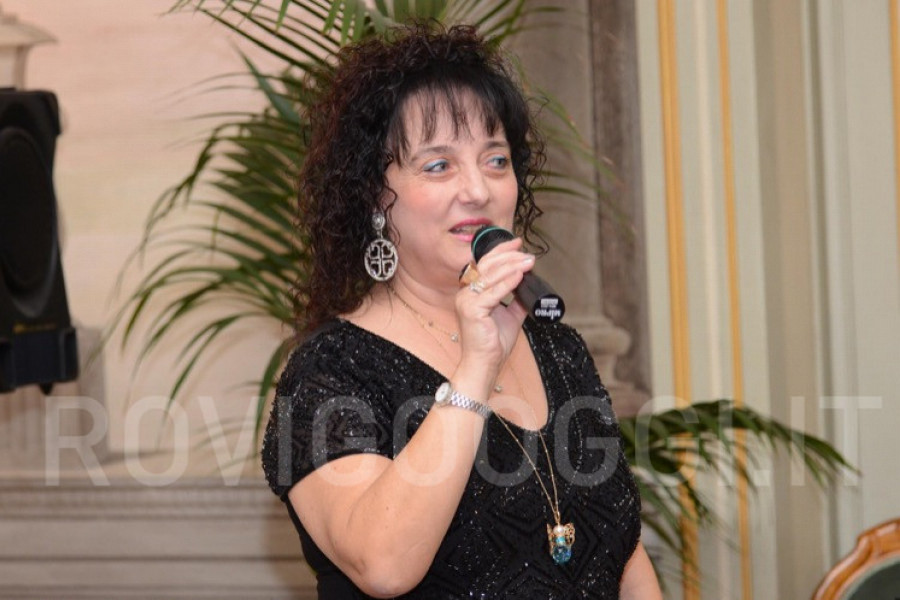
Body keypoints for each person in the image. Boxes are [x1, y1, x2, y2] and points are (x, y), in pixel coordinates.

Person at [261, 22, 663, 599]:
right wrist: (476, 367)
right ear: (375, 196)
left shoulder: (559, 348)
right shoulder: (330, 373)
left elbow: (625, 556)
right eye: (438, 166)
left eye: (496, 161)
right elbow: (383, 565)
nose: (478, 189)